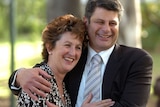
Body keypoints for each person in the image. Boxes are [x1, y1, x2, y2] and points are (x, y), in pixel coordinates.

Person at [9, 0, 153, 107]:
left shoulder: (137, 61)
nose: (106, 29)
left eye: (112, 23)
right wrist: (18, 75)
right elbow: (40, 75)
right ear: (86, 22)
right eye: (100, 22)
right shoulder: (71, 58)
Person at [15, 14, 87, 107]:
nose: (73, 53)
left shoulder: (63, 83)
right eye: (67, 45)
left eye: (78, 47)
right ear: (50, 47)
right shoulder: (38, 83)